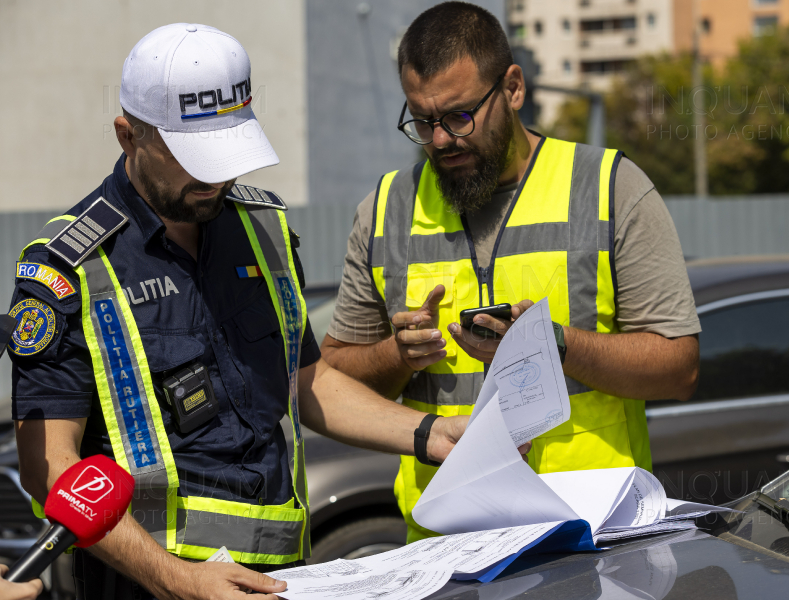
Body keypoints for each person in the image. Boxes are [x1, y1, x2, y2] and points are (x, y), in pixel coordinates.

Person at [7, 24, 487, 600]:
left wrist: (431, 434)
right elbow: (49, 469)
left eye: (225, 153)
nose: (213, 177)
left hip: (288, 577)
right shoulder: (69, 268)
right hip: (148, 587)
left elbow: (305, 382)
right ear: (127, 136)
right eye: (191, 157)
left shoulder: (263, 229)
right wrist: (179, 580)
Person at [320, 1, 701, 544]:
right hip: (445, 548)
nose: (441, 140)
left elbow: (678, 368)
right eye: (422, 121)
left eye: (458, 116)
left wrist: (558, 345)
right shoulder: (385, 210)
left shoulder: (610, 188)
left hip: (590, 541)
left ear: (514, 88)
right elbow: (331, 379)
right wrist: (395, 356)